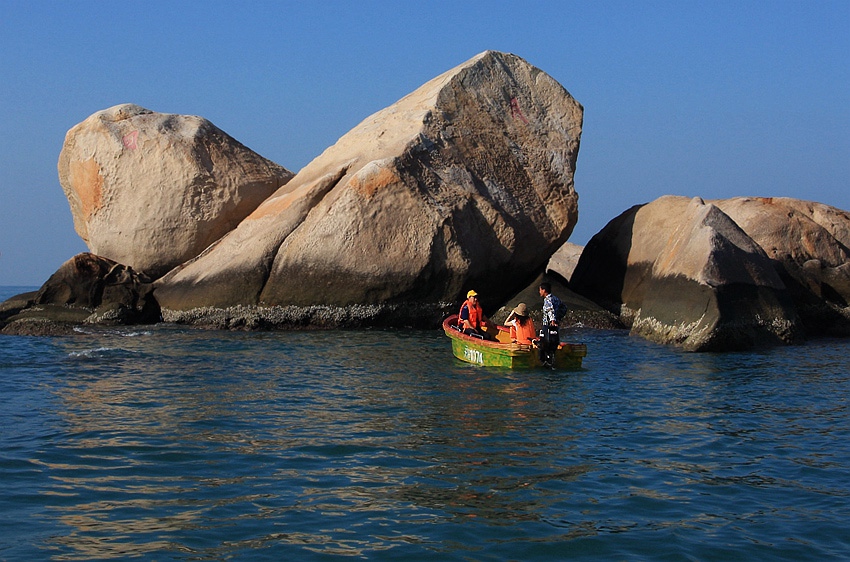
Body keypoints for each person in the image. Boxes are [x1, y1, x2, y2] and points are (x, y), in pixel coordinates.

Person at [538, 282, 564, 367]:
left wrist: (553, 320)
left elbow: (550, 310)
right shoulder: (555, 298)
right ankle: (552, 361)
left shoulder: (547, 300)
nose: (539, 292)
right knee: (553, 344)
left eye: (540, 290)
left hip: (547, 325)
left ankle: (545, 362)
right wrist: (558, 318)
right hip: (555, 327)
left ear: (544, 290)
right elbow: (564, 308)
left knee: (544, 344)